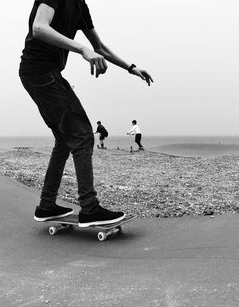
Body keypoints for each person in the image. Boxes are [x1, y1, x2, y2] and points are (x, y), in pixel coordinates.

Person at [19, 0, 153, 227]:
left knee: (64, 140)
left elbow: (99, 47)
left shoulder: (80, 7)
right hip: (39, 72)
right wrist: (82, 49)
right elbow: (39, 28)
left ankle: (46, 206)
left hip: (42, 74)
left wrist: (131, 67)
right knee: (82, 135)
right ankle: (90, 209)